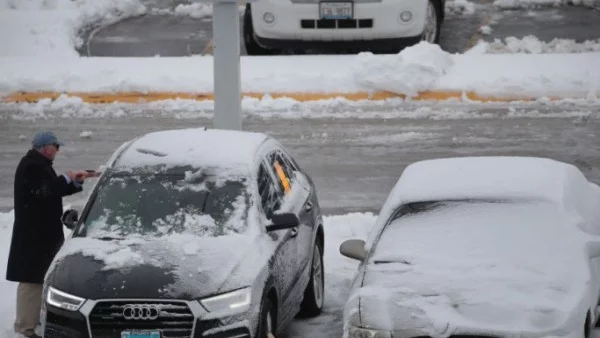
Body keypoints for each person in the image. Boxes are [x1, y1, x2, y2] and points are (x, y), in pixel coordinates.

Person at [5, 131, 93, 338]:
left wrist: (74, 182)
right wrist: (65, 178)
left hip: (41, 235)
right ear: (46, 147)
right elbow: (42, 191)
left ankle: (32, 323)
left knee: (39, 278)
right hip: (33, 236)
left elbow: (51, 191)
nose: (58, 151)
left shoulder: (38, 165)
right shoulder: (31, 166)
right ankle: (25, 329)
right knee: (31, 280)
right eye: (56, 146)